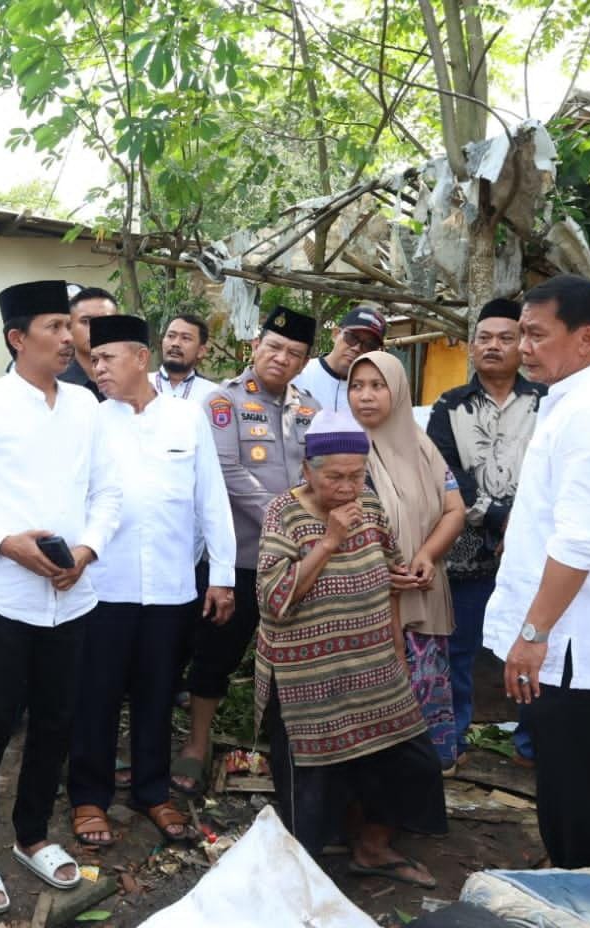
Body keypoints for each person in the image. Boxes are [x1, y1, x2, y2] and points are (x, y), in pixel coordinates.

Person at [0, 280, 123, 915]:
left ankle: (33, 834)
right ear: (17, 338)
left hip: (73, 595)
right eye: (55, 328)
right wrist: (6, 543)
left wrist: (88, 552)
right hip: (4, 596)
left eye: (72, 327)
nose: (70, 339)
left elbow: (108, 495)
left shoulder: (86, 408)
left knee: (57, 720)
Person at [484, 274, 590, 869]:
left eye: (535, 334)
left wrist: (533, 635)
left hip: (569, 638)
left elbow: (579, 541)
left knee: (568, 782)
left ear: (584, 338)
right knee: (585, 769)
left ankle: (579, 886)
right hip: (572, 628)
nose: (522, 346)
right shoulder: (583, 394)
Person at [257, 414, 447, 888]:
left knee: (408, 762)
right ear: (307, 471)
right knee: (312, 783)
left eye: (356, 475)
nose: (347, 487)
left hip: (373, 666)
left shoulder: (369, 503)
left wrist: (399, 593)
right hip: (307, 678)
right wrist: (329, 542)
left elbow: (388, 570)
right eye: (334, 476)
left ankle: (373, 848)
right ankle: (308, 875)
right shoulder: (284, 512)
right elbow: (274, 598)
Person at [68, 314, 236, 847]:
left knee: (158, 693)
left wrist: (223, 576)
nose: (97, 370)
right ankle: (89, 797)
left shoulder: (187, 421)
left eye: (107, 359)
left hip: (169, 585)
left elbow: (211, 499)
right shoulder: (90, 422)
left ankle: (151, 790)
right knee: (94, 693)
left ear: (140, 359)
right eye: (92, 360)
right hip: (103, 585)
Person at [175, 306, 318, 795]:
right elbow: (226, 473)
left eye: (294, 353)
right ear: (255, 346)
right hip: (237, 559)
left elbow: (316, 473)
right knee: (215, 653)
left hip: (296, 563)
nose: (282, 358)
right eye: (274, 347)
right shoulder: (223, 403)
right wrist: (288, 520)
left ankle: (287, 750)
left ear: (304, 362)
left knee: (289, 660)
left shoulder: (309, 408)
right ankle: (196, 745)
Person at [425, 298, 546, 766]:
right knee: (458, 649)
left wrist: (524, 517)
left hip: (534, 550)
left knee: (538, 645)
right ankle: (450, 742)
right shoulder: (449, 406)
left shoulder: (547, 403)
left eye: (506, 338)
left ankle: (532, 746)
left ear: (523, 344)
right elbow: (446, 472)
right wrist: (497, 516)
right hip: (467, 551)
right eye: (485, 338)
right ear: (472, 346)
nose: (494, 346)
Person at [348, 351, 466, 770]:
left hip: (419, 591)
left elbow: (455, 509)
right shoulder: (339, 445)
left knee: (423, 686)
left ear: (397, 391)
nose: (365, 396)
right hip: (362, 602)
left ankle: (423, 781)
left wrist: (425, 554)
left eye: (377, 386)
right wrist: (377, 572)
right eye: (357, 386)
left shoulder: (422, 446)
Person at [291, 304, 386, 413]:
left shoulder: (375, 394)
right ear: (335, 334)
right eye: (351, 337)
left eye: (369, 345)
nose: (356, 348)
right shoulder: (299, 374)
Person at [58, 285, 118, 399]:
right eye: (86, 321)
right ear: (69, 327)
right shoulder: (54, 385)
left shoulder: (130, 380)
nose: (96, 328)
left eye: (106, 321)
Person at [155, 312, 221, 403]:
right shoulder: (135, 387)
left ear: (201, 351)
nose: (175, 343)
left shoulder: (213, 395)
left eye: (185, 338)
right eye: (171, 336)